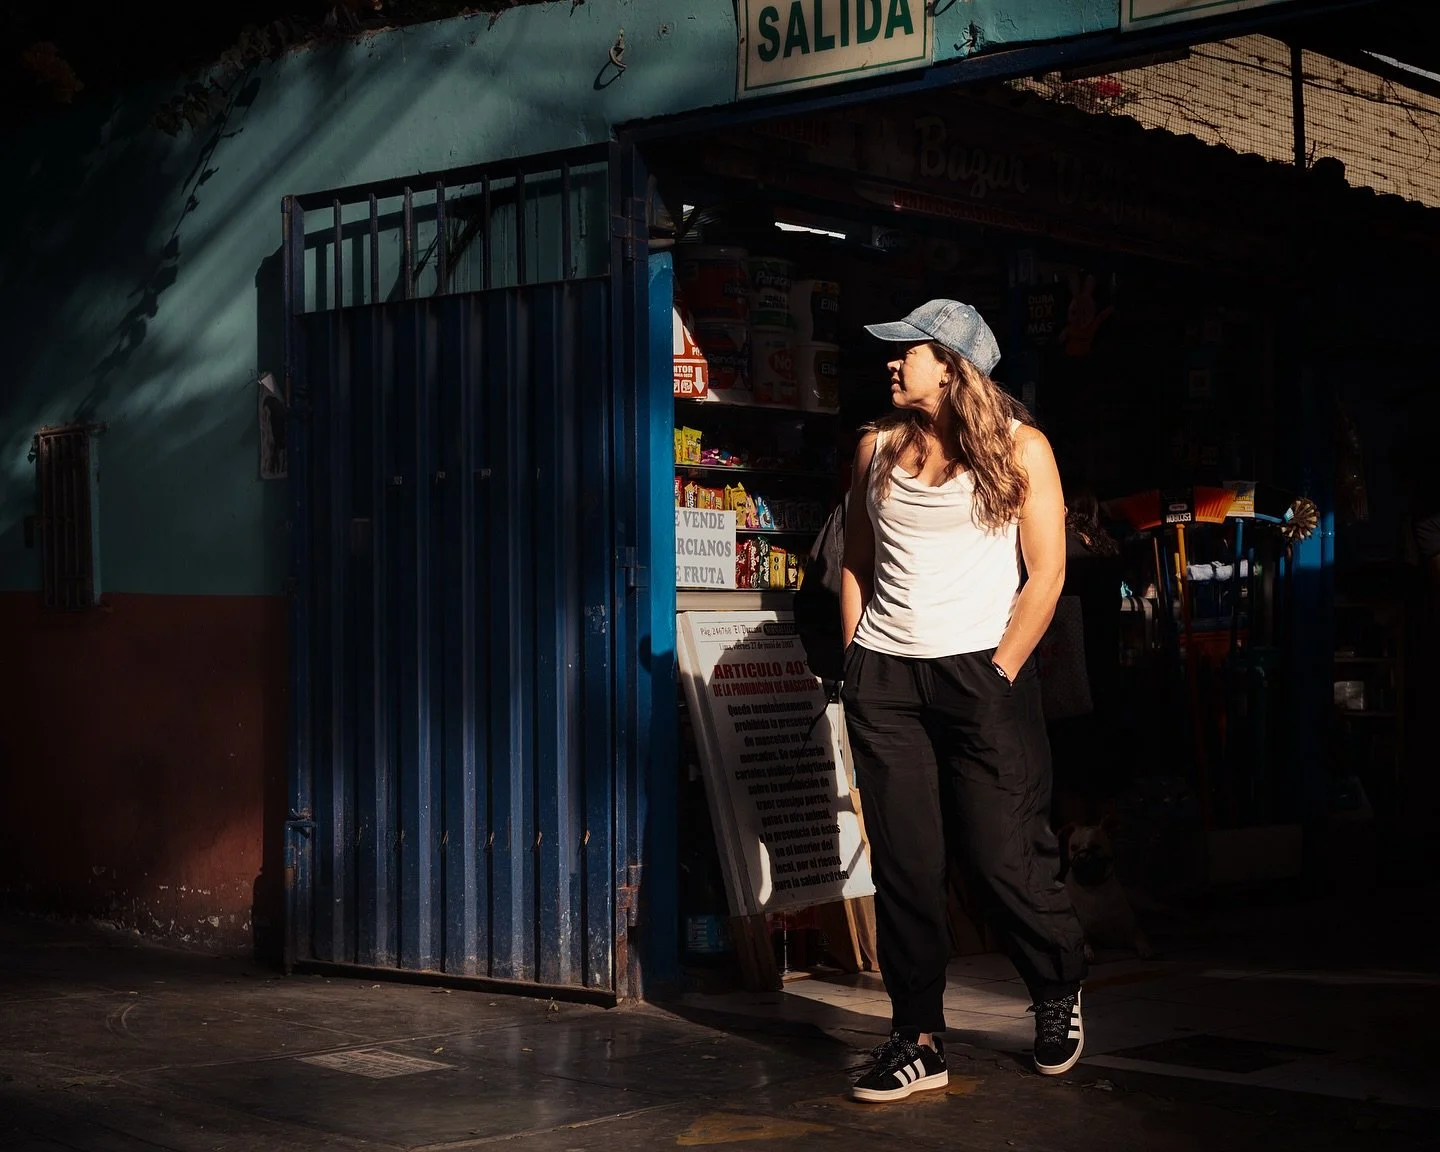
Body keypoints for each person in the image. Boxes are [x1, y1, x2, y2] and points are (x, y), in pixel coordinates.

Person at [840, 299, 1088, 1102]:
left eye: (907, 350)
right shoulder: (875, 447)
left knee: (1002, 855)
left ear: (951, 365)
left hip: (982, 674)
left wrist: (1000, 670)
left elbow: (1046, 573)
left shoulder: (1023, 450)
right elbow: (856, 556)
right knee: (908, 868)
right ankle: (916, 1037)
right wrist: (856, 653)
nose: (892, 361)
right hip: (886, 677)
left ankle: (1056, 989)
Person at [1048, 489, 1125, 830]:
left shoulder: (1059, 551)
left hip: (1068, 671)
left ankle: (1073, 837)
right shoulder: (1105, 549)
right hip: (1104, 665)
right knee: (1099, 749)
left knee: (1068, 756)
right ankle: (1102, 830)